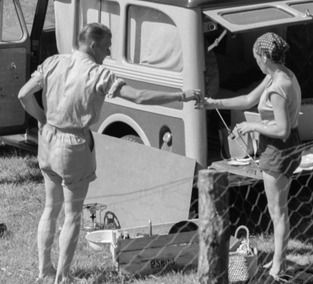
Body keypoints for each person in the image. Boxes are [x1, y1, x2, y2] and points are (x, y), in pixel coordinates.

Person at [18, 24, 198, 284]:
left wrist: (42, 119)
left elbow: (23, 94)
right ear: (93, 46)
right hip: (73, 145)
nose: (109, 52)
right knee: (72, 215)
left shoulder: (53, 62)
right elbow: (138, 97)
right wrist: (180, 95)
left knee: (50, 209)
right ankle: (62, 277)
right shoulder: (98, 74)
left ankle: (43, 269)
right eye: (107, 47)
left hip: (47, 140)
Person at [201, 33, 301, 281]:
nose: (255, 61)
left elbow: (282, 129)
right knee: (277, 209)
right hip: (281, 146)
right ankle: (280, 262)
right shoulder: (277, 75)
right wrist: (212, 102)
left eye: (257, 57)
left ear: (265, 57)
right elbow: (247, 99)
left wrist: (252, 127)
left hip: (279, 148)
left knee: (278, 211)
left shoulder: (279, 88)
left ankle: (279, 266)